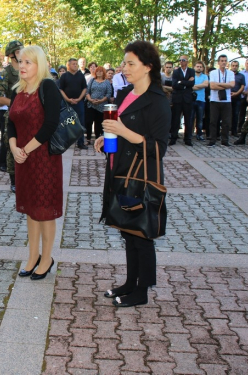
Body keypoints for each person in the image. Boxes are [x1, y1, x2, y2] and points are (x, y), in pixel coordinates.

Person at [94, 40, 170, 307]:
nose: (124, 68)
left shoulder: (158, 101)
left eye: (130, 63)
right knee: (128, 231)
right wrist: (108, 139)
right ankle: (130, 282)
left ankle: (142, 292)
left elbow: (159, 147)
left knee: (141, 233)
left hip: (141, 175)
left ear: (148, 67)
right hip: (120, 170)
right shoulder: (126, 93)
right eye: (124, 62)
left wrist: (124, 132)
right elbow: (120, 126)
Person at [7, 45, 62, 280]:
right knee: (30, 208)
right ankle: (32, 257)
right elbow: (10, 124)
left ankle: (47, 258)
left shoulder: (48, 86)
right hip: (23, 158)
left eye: (28, 62)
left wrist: (26, 149)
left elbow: (50, 124)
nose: (22, 66)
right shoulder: (17, 90)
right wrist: (14, 149)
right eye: (21, 61)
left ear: (39, 64)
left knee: (44, 210)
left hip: (43, 159)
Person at [0, 40, 24, 192]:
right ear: (12, 54)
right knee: (11, 147)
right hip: (12, 115)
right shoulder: (6, 73)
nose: (22, 52)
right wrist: (18, 103)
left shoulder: (29, 67)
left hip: (29, 115)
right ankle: (14, 180)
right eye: (19, 51)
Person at [59, 58, 88, 149]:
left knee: (80, 122)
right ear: (68, 65)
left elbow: (84, 88)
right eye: (73, 64)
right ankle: (65, 143)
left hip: (79, 103)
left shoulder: (80, 75)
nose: (75, 65)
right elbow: (60, 89)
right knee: (66, 122)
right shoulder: (64, 76)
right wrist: (68, 99)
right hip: (67, 103)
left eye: (76, 64)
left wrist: (79, 98)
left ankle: (81, 143)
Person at [207, 55, 234, 147]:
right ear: (218, 62)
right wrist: (225, 85)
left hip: (226, 101)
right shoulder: (213, 73)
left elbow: (232, 85)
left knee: (226, 122)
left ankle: (225, 140)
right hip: (215, 100)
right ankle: (212, 140)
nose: (223, 62)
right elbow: (212, 86)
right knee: (213, 121)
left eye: (225, 61)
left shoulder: (230, 73)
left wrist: (218, 84)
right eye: (222, 60)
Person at [84, 66, 113, 143]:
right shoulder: (92, 80)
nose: (99, 73)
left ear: (103, 72)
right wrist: (90, 99)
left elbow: (108, 93)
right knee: (88, 122)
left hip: (101, 105)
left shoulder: (106, 82)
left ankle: (97, 138)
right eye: (97, 71)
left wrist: (101, 101)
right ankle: (88, 138)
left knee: (99, 123)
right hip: (91, 104)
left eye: (101, 71)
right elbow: (87, 92)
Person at [190, 61, 209, 141]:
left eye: (200, 67)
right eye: (197, 66)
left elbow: (205, 85)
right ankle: (189, 134)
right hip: (191, 99)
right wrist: (199, 86)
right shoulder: (191, 76)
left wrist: (194, 86)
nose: (199, 68)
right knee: (190, 118)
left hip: (201, 100)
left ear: (203, 68)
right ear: (194, 67)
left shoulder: (205, 76)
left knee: (200, 119)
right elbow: (189, 86)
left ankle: (199, 134)